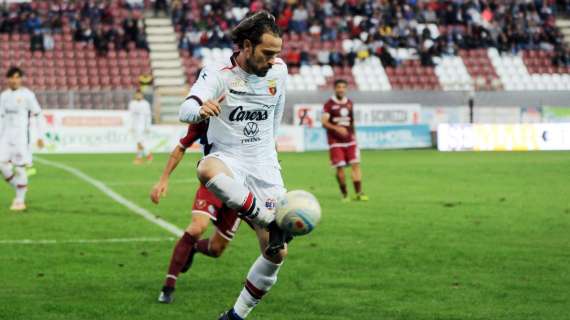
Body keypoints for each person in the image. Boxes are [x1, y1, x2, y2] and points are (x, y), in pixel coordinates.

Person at [178, 11, 290, 320]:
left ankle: (236, 316)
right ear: (246, 46)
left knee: (276, 253)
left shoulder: (279, 71)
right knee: (205, 170)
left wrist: (273, 156)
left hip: (264, 163)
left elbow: (275, 117)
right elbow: (185, 108)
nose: (272, 60)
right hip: (228, 157)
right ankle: (264, 216)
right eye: (267, 53)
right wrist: (200, 110)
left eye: (276, 54)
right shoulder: (218, 72)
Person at [151, 122, 242, 304]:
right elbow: (181, 147)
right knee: (197, 228)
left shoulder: (250, 115)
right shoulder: (206, 118)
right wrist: (163, 179)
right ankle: (168, 286)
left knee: (216, 249)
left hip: (241, 187)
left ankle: (193, 248)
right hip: (213, 181)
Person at [0, 67, 45, 211]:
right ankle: (20, 188)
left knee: (20, 168)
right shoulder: (4, 96)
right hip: (5, 137)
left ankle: (20, 200)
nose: (14, 80)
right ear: (7, 79)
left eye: (17, 77)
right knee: (2, 165)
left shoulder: (27, 95)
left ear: (20, 79)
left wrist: (40, 136)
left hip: (21, 138)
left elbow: (38, 114)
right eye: (11, 77)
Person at [321, 79, 368, 202]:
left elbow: (352, 121)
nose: (341, 89)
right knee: (340, 168)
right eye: (339, 87)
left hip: (350, 140)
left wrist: (355, 136)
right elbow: (324, 123)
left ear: (346, 89)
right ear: (335, 89)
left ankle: (359, 193)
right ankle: (345, 194)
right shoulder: (329, 104)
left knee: (356, 165)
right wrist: (337, 128)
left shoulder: (350, 103)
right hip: (335, 142)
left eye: (343, 87)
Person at [128, 89, 152, 164]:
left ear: (142, 95)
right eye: (137, 94)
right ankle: (147, 156)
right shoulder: (132, 103)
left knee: (139, 141)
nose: (138, 96)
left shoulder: (145, 104)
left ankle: (140, 158)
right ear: (135, 95)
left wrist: (147, 126)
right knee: (139, 142)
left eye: (140, 94)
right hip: (135, 125)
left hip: (142, 125)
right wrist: (131, 126)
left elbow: (148, 116)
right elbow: (131, 115)